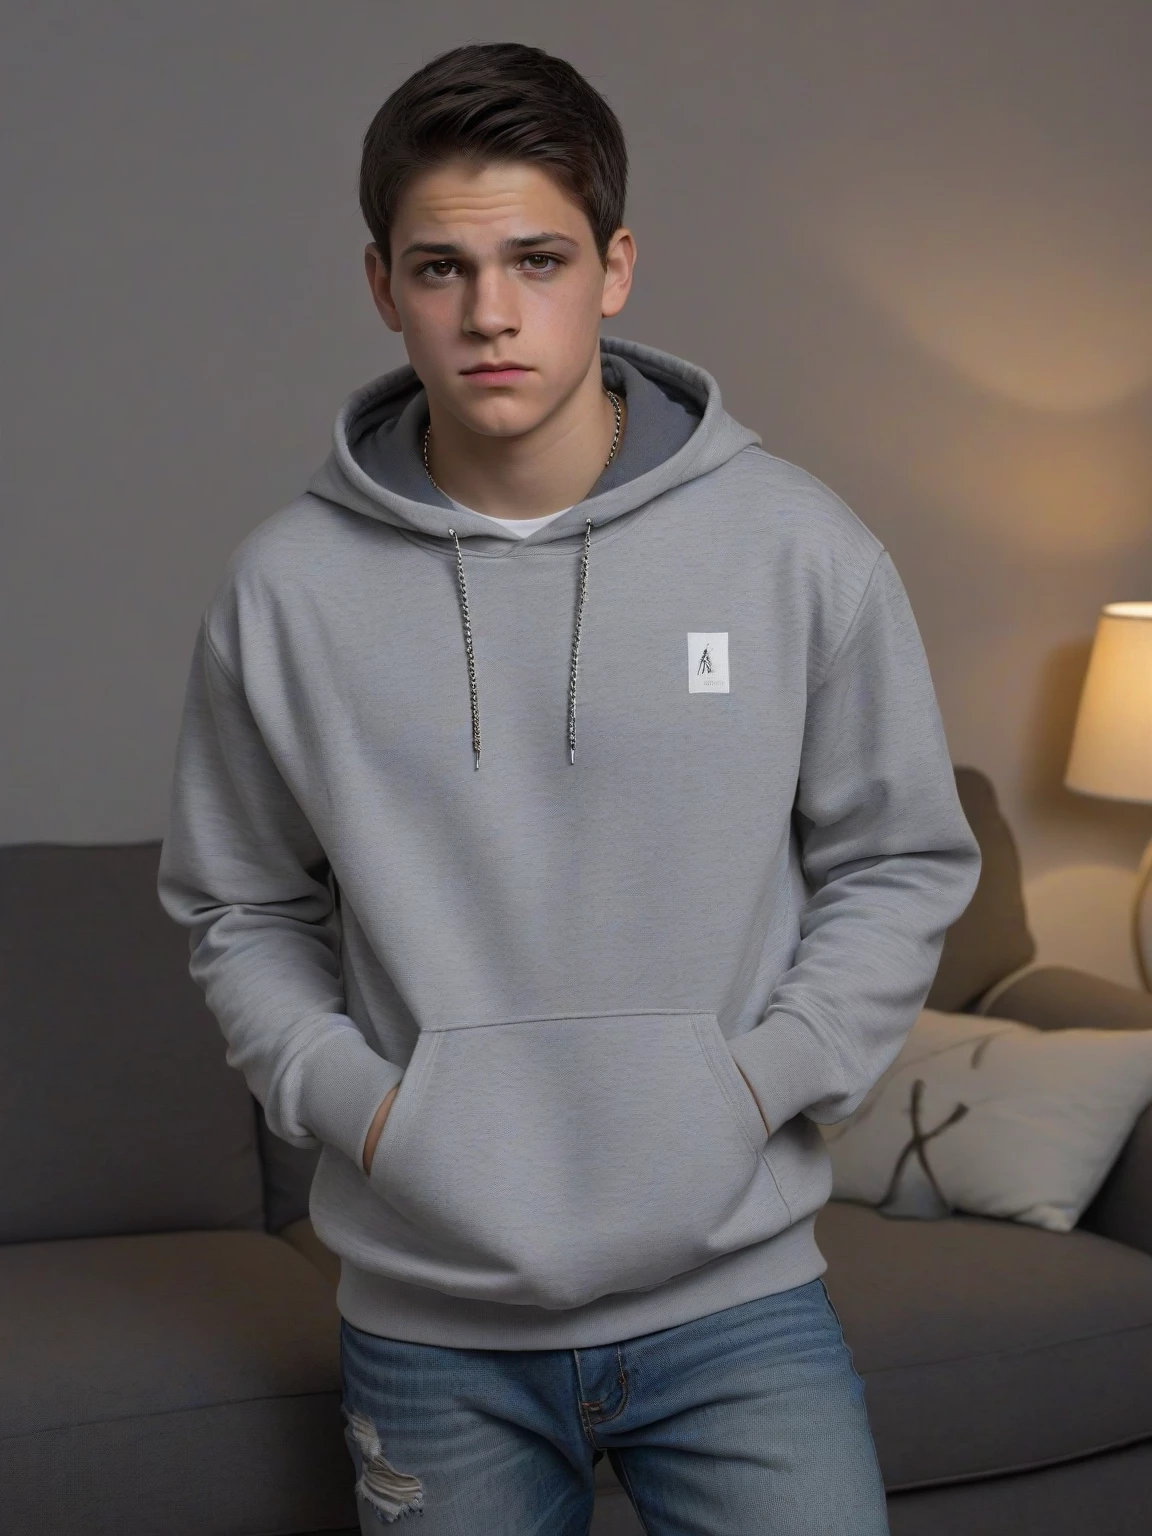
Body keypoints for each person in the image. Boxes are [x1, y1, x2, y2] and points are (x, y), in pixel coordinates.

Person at [157, 41, 982, 1536]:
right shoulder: (283, 592)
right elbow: (239, 904)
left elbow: (901, 859)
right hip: (431, 1327)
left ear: (615, 268)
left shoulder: (798, 548)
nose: (490, 312)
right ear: (382, 286)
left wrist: (757, 1083)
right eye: (442, 268)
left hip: (737, 1302)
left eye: (537, 259)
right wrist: (372, 1114)